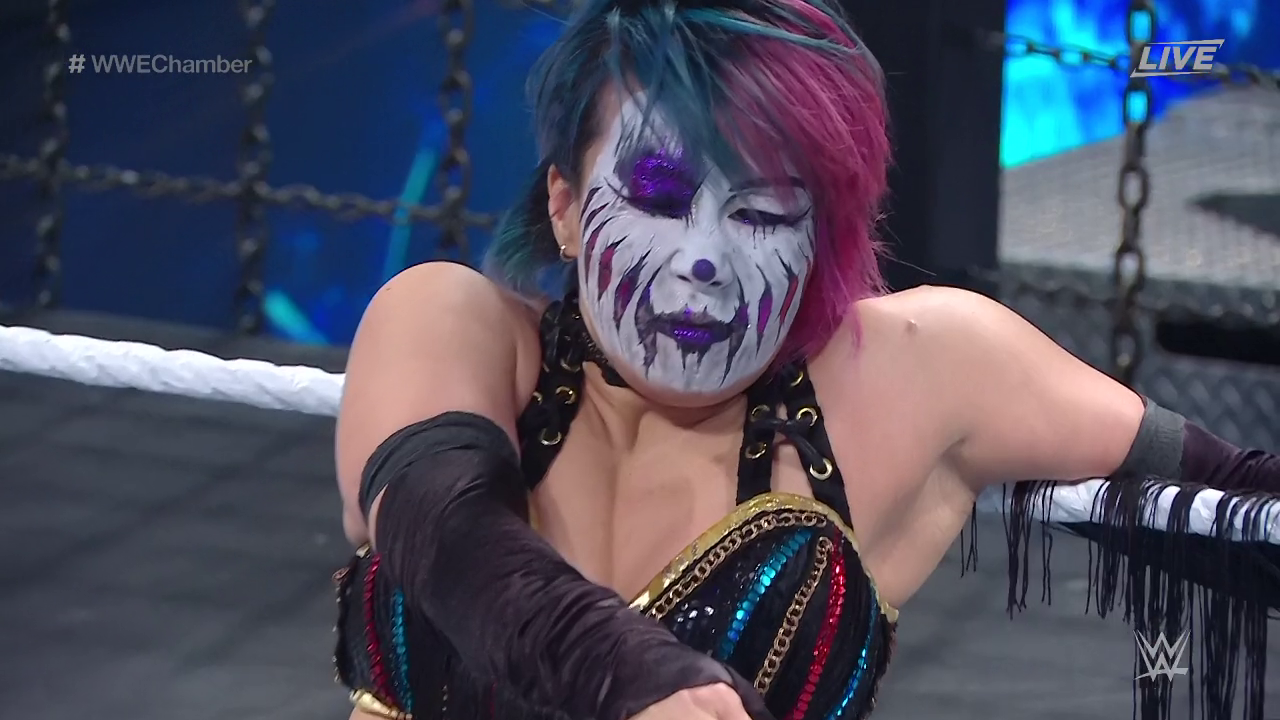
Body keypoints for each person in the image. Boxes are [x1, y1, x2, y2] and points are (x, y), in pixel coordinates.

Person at [331, 1, 1280, 719]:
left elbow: (1242, 505)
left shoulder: (913, 372)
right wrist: (626, 673)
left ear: (818, 236)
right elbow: (440, 523)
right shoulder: (448, 320)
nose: (704, 258)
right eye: (658, 197)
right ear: (567, 207)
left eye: (760, 212)